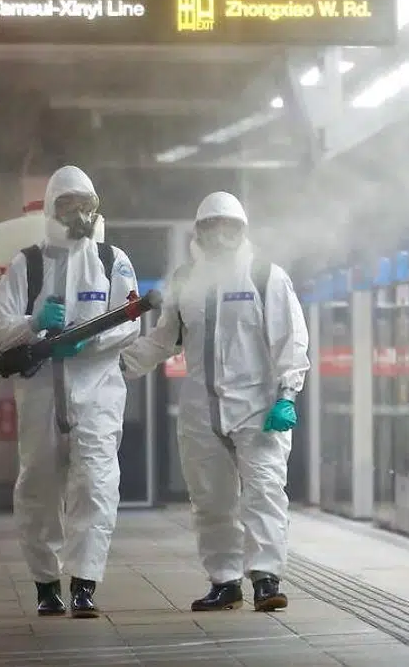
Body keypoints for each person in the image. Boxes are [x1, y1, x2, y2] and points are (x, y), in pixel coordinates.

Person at [122, 192, 310, 613]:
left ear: (242, 231)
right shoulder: (186, 281)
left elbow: (291, 340)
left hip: (258, 408)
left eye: (229, 227)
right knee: (210, 499)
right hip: (200, 410)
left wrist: (287, 394)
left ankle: (266, 578)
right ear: (199, 232)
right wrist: (118, 365)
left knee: (264, 492)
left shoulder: (265, 276)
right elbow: (163, 341)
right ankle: (225, 582)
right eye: (211, 227)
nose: (220, 236)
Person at [0, 166, 140, 618]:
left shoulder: (112, 260)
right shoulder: (28, 264)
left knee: (96, 484)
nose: (78, 213)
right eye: (68, 204)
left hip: (97, 396)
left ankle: (84, 584)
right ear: (52, 209)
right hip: (40, 396)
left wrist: (87, 341)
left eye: (85, 204)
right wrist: (33, 324)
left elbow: (130, 323)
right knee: (39, 487)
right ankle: (46, 584)